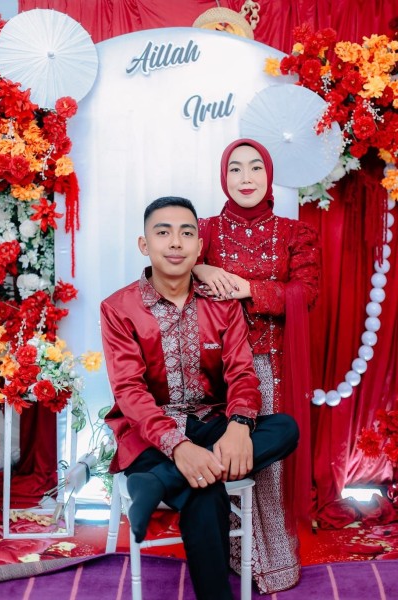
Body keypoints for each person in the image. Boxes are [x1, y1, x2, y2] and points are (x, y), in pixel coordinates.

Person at [100, 196, 299, 600]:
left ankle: (161, 481)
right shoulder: (119, 308)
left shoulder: (220, 305)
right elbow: (130, 392)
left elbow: (241, 373)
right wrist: (178, 447)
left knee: (285, 428)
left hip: (212, 424)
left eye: (186, 233)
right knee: (205, 490)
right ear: (144, 245)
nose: (176, 242)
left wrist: (240, 426)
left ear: (198, 246)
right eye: (163, 232)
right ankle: (172, 472)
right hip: (149, 435)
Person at [193, 140, 321, 594]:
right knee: (219, 451)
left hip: (268, 363)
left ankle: (271, 559)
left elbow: (307, 292)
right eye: (235, 169)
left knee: (264, 462)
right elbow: (172, 266)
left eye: (255, 169)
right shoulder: (204, 229)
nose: (245, 178)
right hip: (213, 366)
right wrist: (202, 270)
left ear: (268, 176)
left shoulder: (295, 233)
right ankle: (231, 550)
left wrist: (247, 287)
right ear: (223, 176)